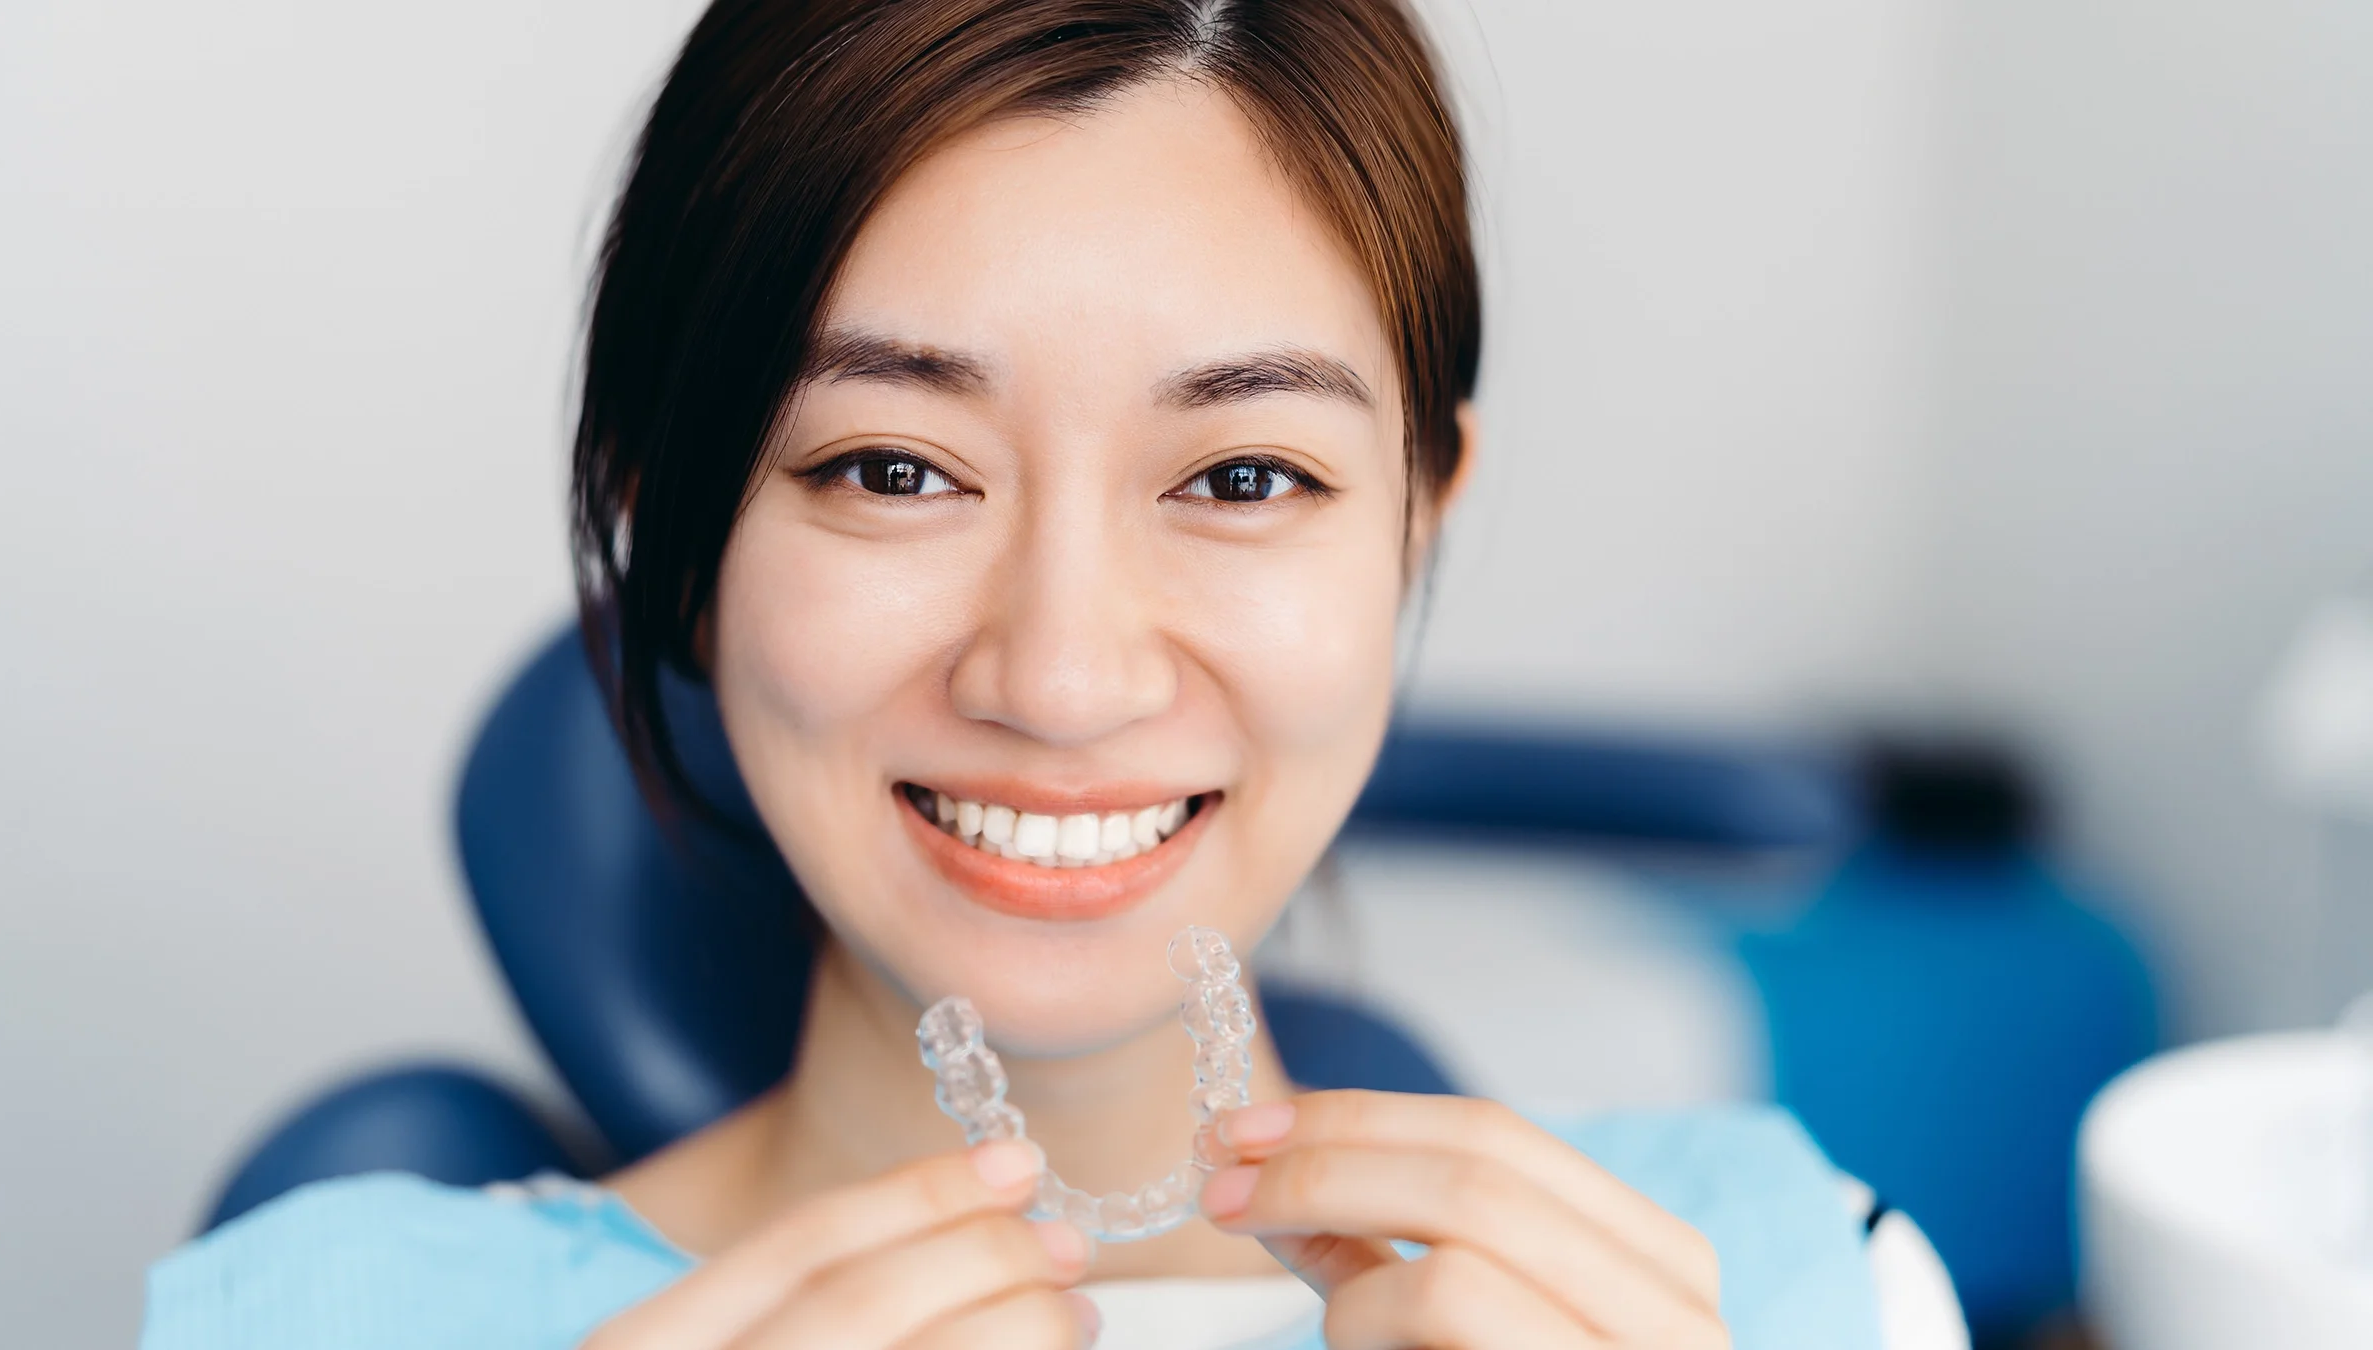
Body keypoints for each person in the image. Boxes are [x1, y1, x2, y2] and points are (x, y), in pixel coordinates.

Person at [143, 2, 1966, 1346]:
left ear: (1415, 527)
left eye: (1244, 478)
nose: (1066, 674)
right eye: (892, 468)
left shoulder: (1797, 1274)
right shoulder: (312, 1316)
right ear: (676, 545)